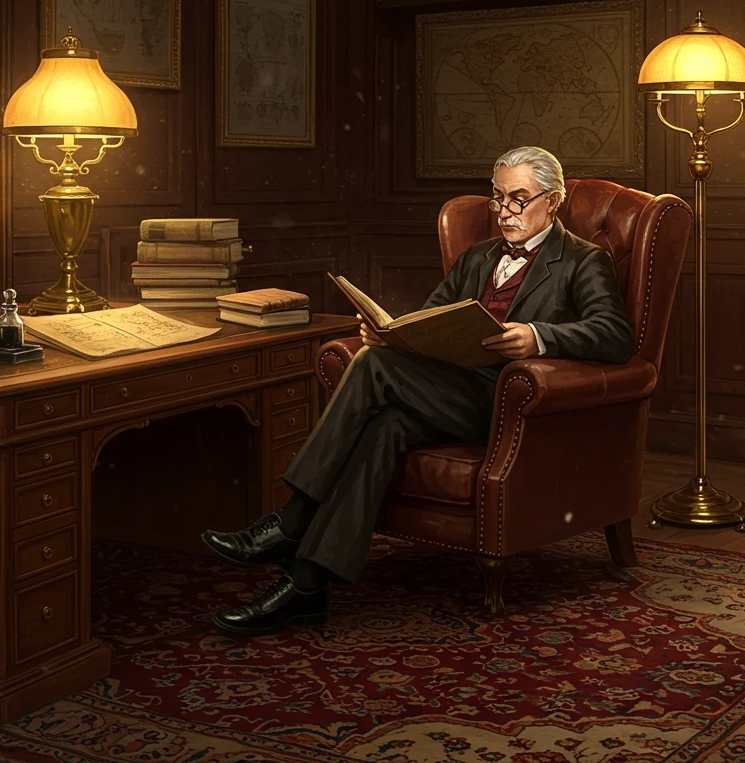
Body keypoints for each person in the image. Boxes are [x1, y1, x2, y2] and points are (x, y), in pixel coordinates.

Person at [201, 146, 636, 634]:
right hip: (447, 388)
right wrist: (390, 335)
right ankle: (305, 585)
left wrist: (538, 336)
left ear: (552, 201)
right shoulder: (477, 257)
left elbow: (616, 336)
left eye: (519, 199)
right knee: (384, 424)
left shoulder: (583, 260)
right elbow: (431, 320)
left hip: (508, 403)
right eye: (498, 199)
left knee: (371, 369)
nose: (505, 212)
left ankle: (291, 521)